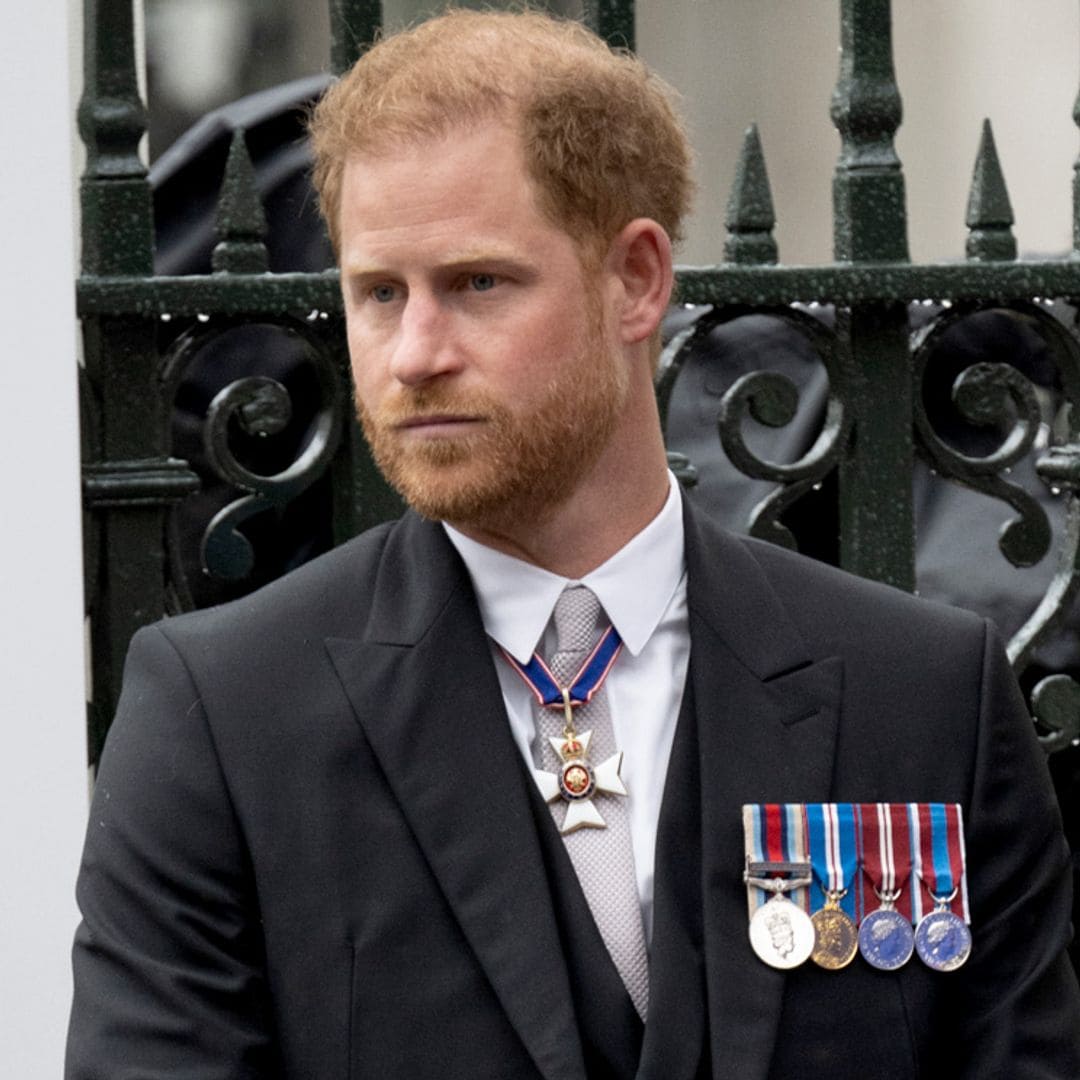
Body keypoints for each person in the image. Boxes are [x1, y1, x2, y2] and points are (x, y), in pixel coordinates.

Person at [66, 10, 1080, 1079]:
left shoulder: (924, 696)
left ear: (637, 279)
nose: (414, 355)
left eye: (477, 283)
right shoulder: (221, 715)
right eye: (378, 293)